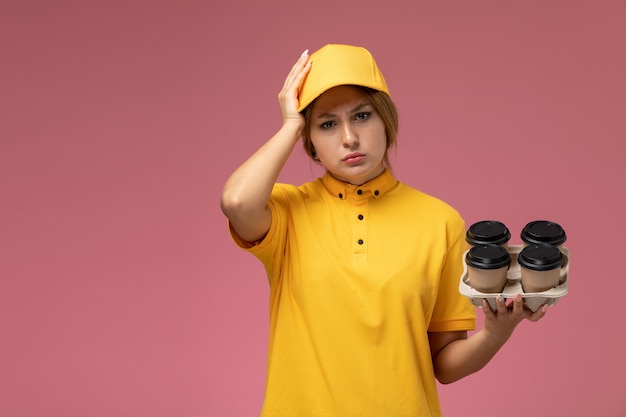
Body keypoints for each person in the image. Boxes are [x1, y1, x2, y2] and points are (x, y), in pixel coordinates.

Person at [220, 44, 548, 417]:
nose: (348, 138)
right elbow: (236, 202)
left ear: (386, 121)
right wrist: (291, 123)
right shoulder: (286, 212)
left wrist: (495, 333)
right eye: (327, 124)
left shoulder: (439, 221)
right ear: (308, 142)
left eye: (362, 116)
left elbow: (445, 364)